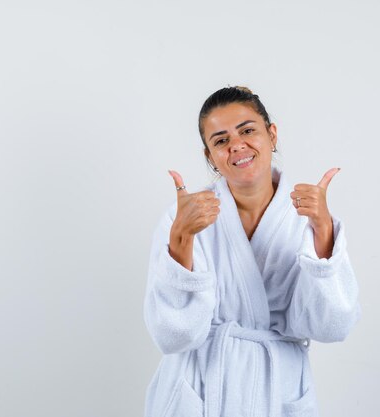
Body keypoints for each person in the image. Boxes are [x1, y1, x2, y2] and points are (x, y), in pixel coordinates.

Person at [143, 86, 361, 417]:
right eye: (220, 140)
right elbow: (173, 336)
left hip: (277, 391)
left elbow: (333, 326)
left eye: (247, 130)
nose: (236, 145)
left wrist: (324, 231)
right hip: (201, 387)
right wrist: (182, 238)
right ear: (209, 156)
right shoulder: (180, 219)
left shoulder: (308, 218)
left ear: (271, 135)